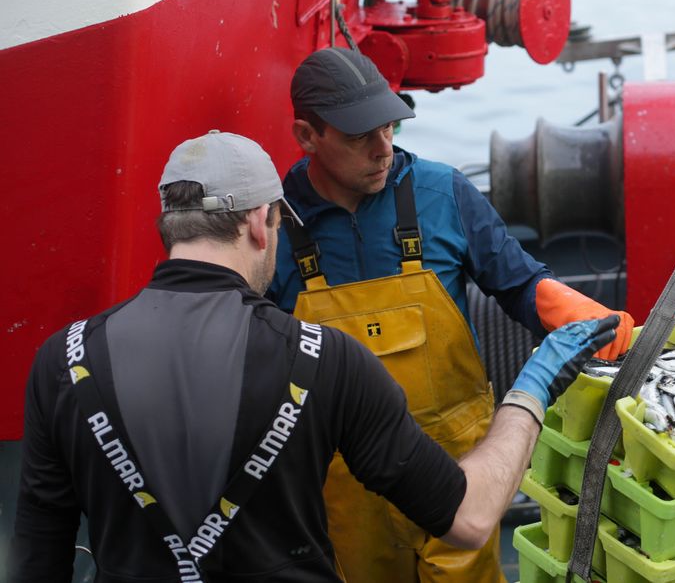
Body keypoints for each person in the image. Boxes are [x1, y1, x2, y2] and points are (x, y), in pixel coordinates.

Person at [12, 131, 618, 581]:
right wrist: (532, 386)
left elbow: (39, 552)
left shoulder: (62, 363)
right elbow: (469, 516)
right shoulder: (323, 359)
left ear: (169, 227)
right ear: (258, 224)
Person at [268, 47, 635, 582]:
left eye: (388, 127)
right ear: (307, 136)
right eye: (357, 136)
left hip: (461, 468)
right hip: (343, 482)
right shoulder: (275, 225)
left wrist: (575, 314)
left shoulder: (443, 192)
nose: (382, 148)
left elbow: (518, 283)